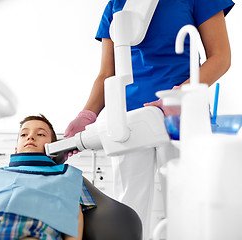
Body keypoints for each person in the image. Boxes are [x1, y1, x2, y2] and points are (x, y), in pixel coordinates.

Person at [64, 0, 234, 239]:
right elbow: (106, 73)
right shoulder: (116, 4)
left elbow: (220, 57)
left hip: (181, 113)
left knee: (185, 202)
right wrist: (87, 114)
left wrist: (177, 96)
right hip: (126, 118)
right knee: (129, 204)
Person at [0, 114, 95, 240]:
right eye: (24, 134)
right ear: (16, 149)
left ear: (54, 148)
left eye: (41, 134)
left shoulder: (67, 175)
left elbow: (74, 213)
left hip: (35, 233)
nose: (30, 137)